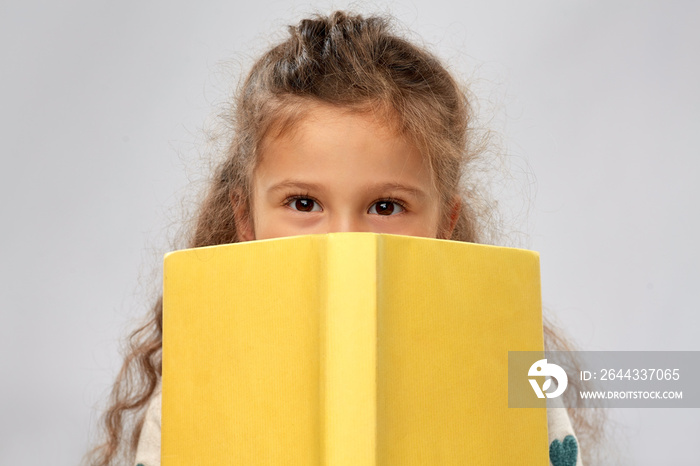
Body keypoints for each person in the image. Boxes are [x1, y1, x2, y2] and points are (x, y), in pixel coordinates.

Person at [86, 10, 602, 466]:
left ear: (445, 224)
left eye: (386, 206)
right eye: (304, 203)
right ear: (245, 220)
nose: (345, 240)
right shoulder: (202, 375)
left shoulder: (508, 368)